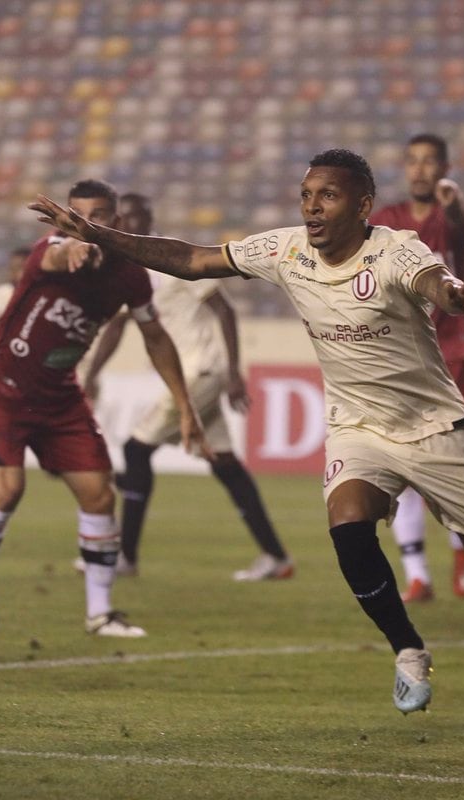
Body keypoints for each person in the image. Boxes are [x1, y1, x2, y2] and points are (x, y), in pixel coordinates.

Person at [29, 150, 464, 724]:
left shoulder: (393, 251)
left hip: (437, 431)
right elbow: (191, 258)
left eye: (327, 196)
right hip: (357, 427)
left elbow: (433, 278)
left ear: (363, 205)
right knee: (348, 528)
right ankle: (408, 649)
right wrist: (99, 234)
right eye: (306, 195)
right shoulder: (286, 249)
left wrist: (453, 294)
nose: (312, 208)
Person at [0, 179, 208, 638]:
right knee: (7, 490)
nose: (84, 224)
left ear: (115, 221)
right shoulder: (48, 253)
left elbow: (154, 335)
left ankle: (100, 613)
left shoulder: (131, 276)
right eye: (75, 215)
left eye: (96, 216)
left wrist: (184, 402)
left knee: (99, 495)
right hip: (3, 389)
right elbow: (62, 253)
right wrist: (73, 249)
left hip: (60, 397)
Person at [76, 192, 294, 581]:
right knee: (225, 464)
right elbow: (117, 327)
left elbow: (224, 309)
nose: (130, 225)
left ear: (149, 219)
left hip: (201, 372)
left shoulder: (166, 258)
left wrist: (234, 373)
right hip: (191, 375)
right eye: (123, 220)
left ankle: (125, 556)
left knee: (135, 449)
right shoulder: (129, 268)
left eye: (138, 218)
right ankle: (276, 557)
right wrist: (92, 374)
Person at [369, 133, 464, 603]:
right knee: (403, 462)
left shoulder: (449, 218)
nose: (418, 170)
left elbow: (458, 227)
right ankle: (417, 574)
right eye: (411, 161)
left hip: (446, 355)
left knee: (446, 459)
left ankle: (462, 545)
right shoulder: (386, 222)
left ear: (444, 168)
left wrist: (453, 205)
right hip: (399, 358)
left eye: (428, 162)